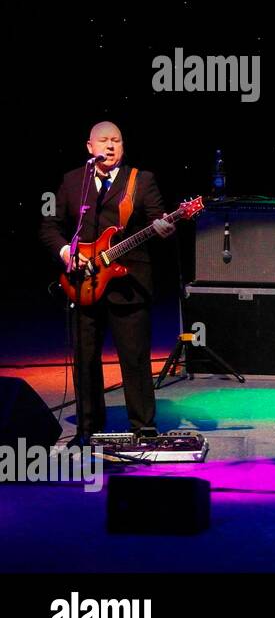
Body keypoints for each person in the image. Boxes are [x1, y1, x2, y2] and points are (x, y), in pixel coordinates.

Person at [39, 122, 175, 445]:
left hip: (129, 284)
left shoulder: (140, 180)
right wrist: (66, 252)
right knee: (85, 357)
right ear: (90, 147)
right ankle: (88, 428)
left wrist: (165, 226)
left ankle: (143, 427)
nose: (110, 146)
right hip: (83, 283)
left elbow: (158, 220)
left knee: (135, 357)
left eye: (117, 140)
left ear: (124, 146)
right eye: (104, 140)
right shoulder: (74, 181)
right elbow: (49, 226)